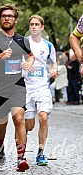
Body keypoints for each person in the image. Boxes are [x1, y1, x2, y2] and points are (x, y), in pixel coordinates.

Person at [0, 3, 35, 172]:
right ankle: (0, 146)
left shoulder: (22, 40)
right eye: (4, 16)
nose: (7, 18)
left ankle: (21, 158)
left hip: (18, 84)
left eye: (10, 16)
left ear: (15, 20)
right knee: (2, 122)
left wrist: (28, 63)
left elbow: (31, 56)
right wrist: (0, 55)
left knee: (19, 119)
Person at [23, 15, 58, 166]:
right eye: (32, 24)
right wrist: (22, 67)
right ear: (29, 27)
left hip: (43, 87)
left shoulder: (48, 46)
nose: (34, 26)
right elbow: (12, 64)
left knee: (43, 117)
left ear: (42, 27)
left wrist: (54, 71)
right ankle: (21, 148)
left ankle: (41, 152)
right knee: (29, 125)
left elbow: (53, 64)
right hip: (26, 89)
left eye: (37, 24)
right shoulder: (23, 44)